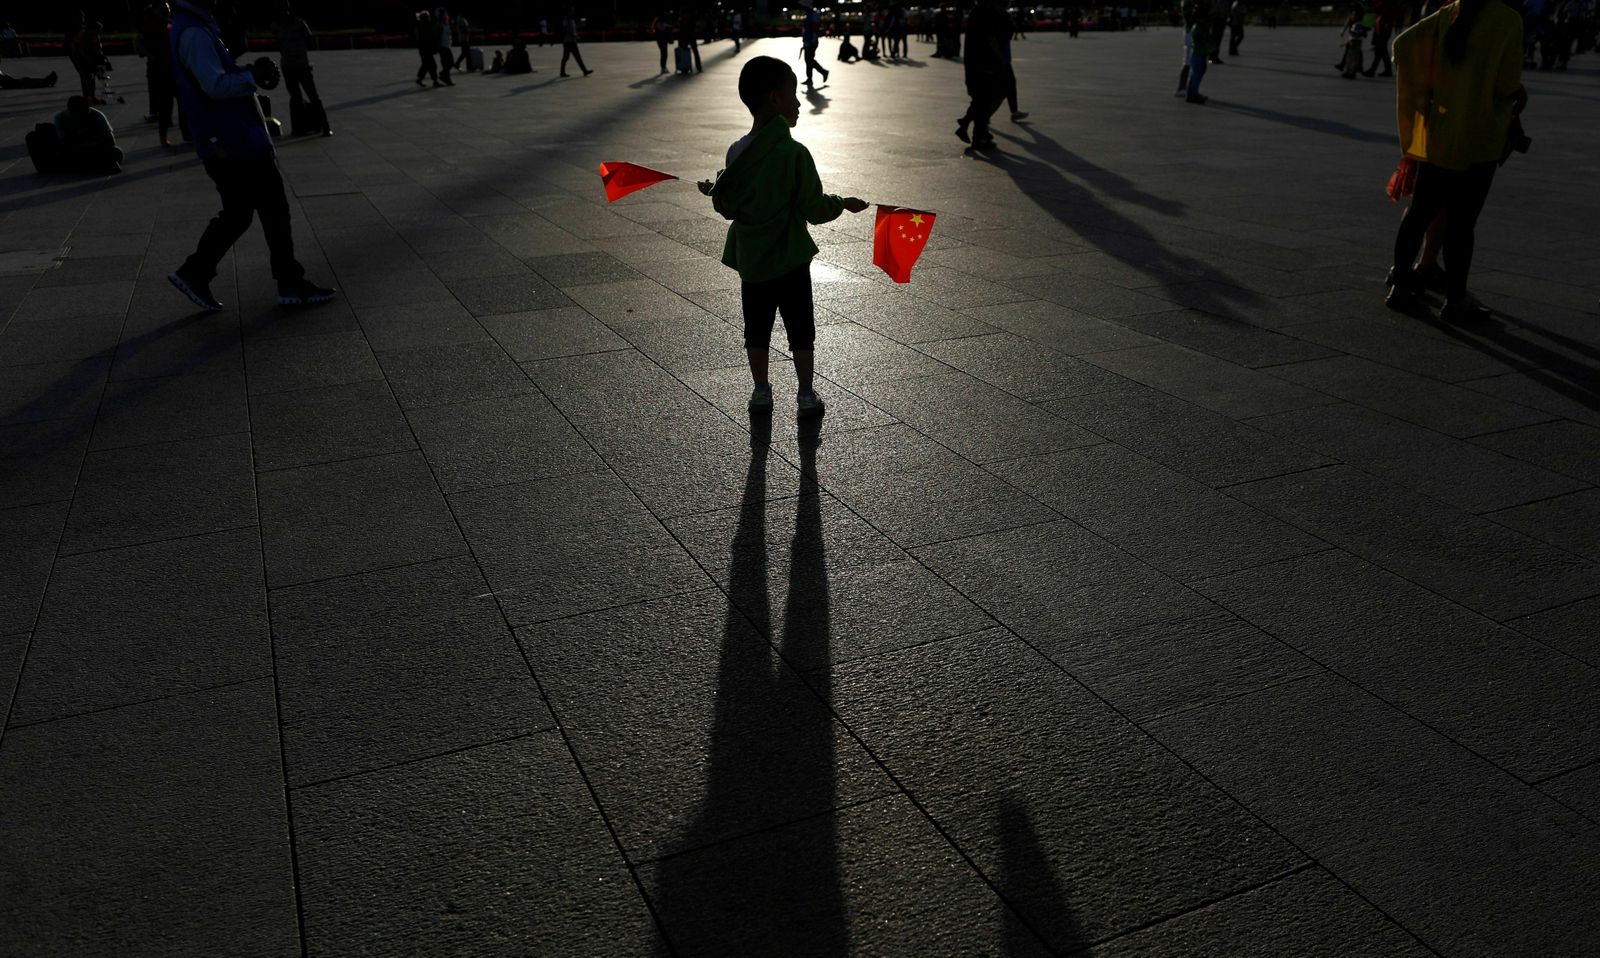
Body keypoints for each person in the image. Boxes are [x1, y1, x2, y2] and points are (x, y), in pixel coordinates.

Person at [698, 56, 868, 418]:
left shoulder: (736, 151)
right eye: (793, 96)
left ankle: (761, 392)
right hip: (790, 258)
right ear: (775, 99)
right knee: (801, 329)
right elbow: (814, 207)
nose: (799, 104)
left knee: (756, 330)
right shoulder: (794, 152)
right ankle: (805, 394)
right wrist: (843, 203)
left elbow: (728, 206)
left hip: (754, 262)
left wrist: (717, 188)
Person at [166, 0, 335, 311]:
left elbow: (214, 77)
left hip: (226, 140)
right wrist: (251, 77)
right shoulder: (195, 33)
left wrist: (248, 72)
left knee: (239, 213)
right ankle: (290, 283)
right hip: (234, 141)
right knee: (274, 209)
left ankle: (195, 272)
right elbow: (214, 85)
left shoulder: (193, 26)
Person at [1386, 0, 1525, 322]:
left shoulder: (1449, 13)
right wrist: (1518, 91)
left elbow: (1403, 44)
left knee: (1419, 213)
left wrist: (1430, 87)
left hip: (1441, 134)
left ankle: (1401, 286)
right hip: (1479, 138)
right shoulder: (1507, 20)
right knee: (1462, 223)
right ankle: (1456, 300)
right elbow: (1506, 84)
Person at [956, 0, 1011, 148]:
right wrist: (1000, 59)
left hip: (978, 63)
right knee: (985, 98)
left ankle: (972, 128)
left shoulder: (979, 11)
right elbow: (989, 38)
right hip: (983, 63)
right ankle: (978, 135)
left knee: (982, 98)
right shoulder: (983, 12)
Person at [274, 3, 330, 136]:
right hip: (288, 67)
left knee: (313, 97)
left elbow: (311, 42)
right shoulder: (275, 26)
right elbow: (279, 44)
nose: (282, 12)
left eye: (283, 9)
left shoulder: (300, 24)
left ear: (288, 9)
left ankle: (325, 126)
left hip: (302, 66)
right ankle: (299, 128)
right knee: (295, 98)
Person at [33, 95, 123, 173]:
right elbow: (64, 143)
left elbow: (111, 141)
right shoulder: (60, 118)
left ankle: (86, 165)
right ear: (71, 112)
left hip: (93, 148)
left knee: (117, 152)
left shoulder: (97, 116)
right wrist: (79, 136)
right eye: (79, 115)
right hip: (74, 149)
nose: (82, 118)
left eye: (85, 114)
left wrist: (92, 143)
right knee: (62, 155)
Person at [1186, 4, 1213, 101]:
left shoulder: (1201, 27)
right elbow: (1202, 40)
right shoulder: (1198, 28)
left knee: (1198, 73)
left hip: (1200, 53)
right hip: (1197, 53)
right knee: (1196, 74)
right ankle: (1192, 95)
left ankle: (1193, 93)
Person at [801, 1, 829, 88]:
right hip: (808, 41)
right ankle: (810, 78)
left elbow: (815, 29)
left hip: (811, 42)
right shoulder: (809, 14)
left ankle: (823, 72)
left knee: (809, 60)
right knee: (808, 60)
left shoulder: (813, 15)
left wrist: (812, 41)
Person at [560, 9, 592, 76]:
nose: (572, 12)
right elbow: (565, 31)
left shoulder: (572, 20)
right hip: (568, 42)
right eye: (571, 11)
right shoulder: (566, 21)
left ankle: (584, 70)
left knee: (572, 57)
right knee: (567, 57)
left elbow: (573, 30)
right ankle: (562, 72)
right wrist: (574, 35)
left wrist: (577, 32)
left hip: (572, 41)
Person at [415, 10, 439, 86]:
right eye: (428, 17)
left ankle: (419, 79)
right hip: (426, 49)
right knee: (432, 65)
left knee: (426, 65)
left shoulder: (421, 26)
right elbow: (430, 38)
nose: (429, 18)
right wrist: (434, 48)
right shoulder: (425, 26)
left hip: (423, 49)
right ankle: (435, 81)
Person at [435, 8, 455, 85]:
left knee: (449, 63)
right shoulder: (439, 25)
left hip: (447, 46)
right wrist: (438, 47)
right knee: (448, 63)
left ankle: (445, 76)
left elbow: (450, 33)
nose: (447, 15)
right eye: (445, 14)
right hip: (443, 47)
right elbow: (437, 36)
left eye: (446, 14)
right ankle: (445, 77)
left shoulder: (446, 24)